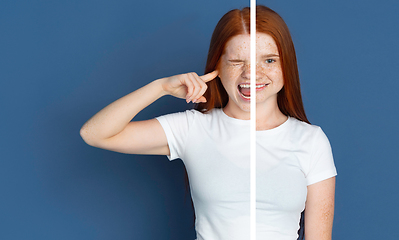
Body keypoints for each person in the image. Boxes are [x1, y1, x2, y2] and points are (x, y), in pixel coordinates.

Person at [80, 5, 336, 240]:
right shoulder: (193, 129)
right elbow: (95, 133)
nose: (252, 74)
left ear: (286, 66)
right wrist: (160, 87)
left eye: (269, 60)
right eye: (237, 62)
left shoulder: (311, 141)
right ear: (217, 67)